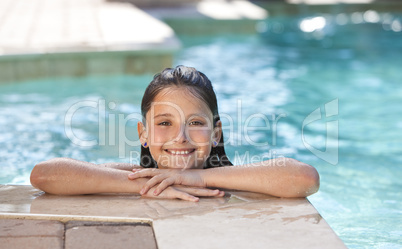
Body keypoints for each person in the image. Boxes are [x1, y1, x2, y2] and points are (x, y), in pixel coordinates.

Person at [30, 65, 319, 202]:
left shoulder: (238, 177)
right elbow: (44, 175)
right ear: (143, 134)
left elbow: (304, 178)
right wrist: (152, 186)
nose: (180, 137)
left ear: (216, 133)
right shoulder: (136, 174)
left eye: (195, 123)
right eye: (165, 123)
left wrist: (196, 177)